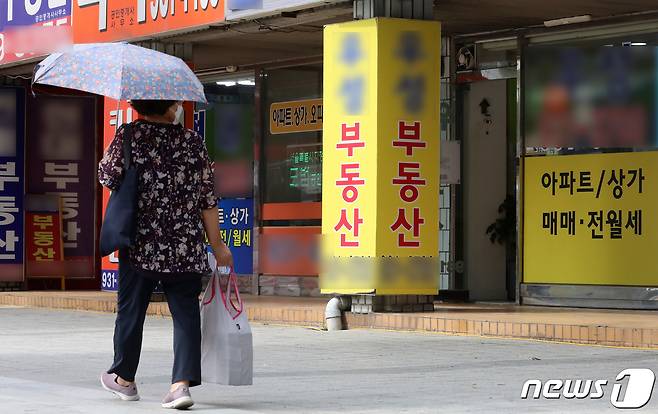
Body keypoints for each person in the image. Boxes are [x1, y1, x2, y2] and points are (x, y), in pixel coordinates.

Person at [97, 100, 233, 410]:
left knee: (131, 311)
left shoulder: (128, 135)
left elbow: (107, 176)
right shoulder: (191, 142)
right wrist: (218, 244)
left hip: (140, 244)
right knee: (185, 314)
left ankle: (124, 380)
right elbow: (207, 199)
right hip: (184, 245)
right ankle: (180, 385)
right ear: (170, 107)